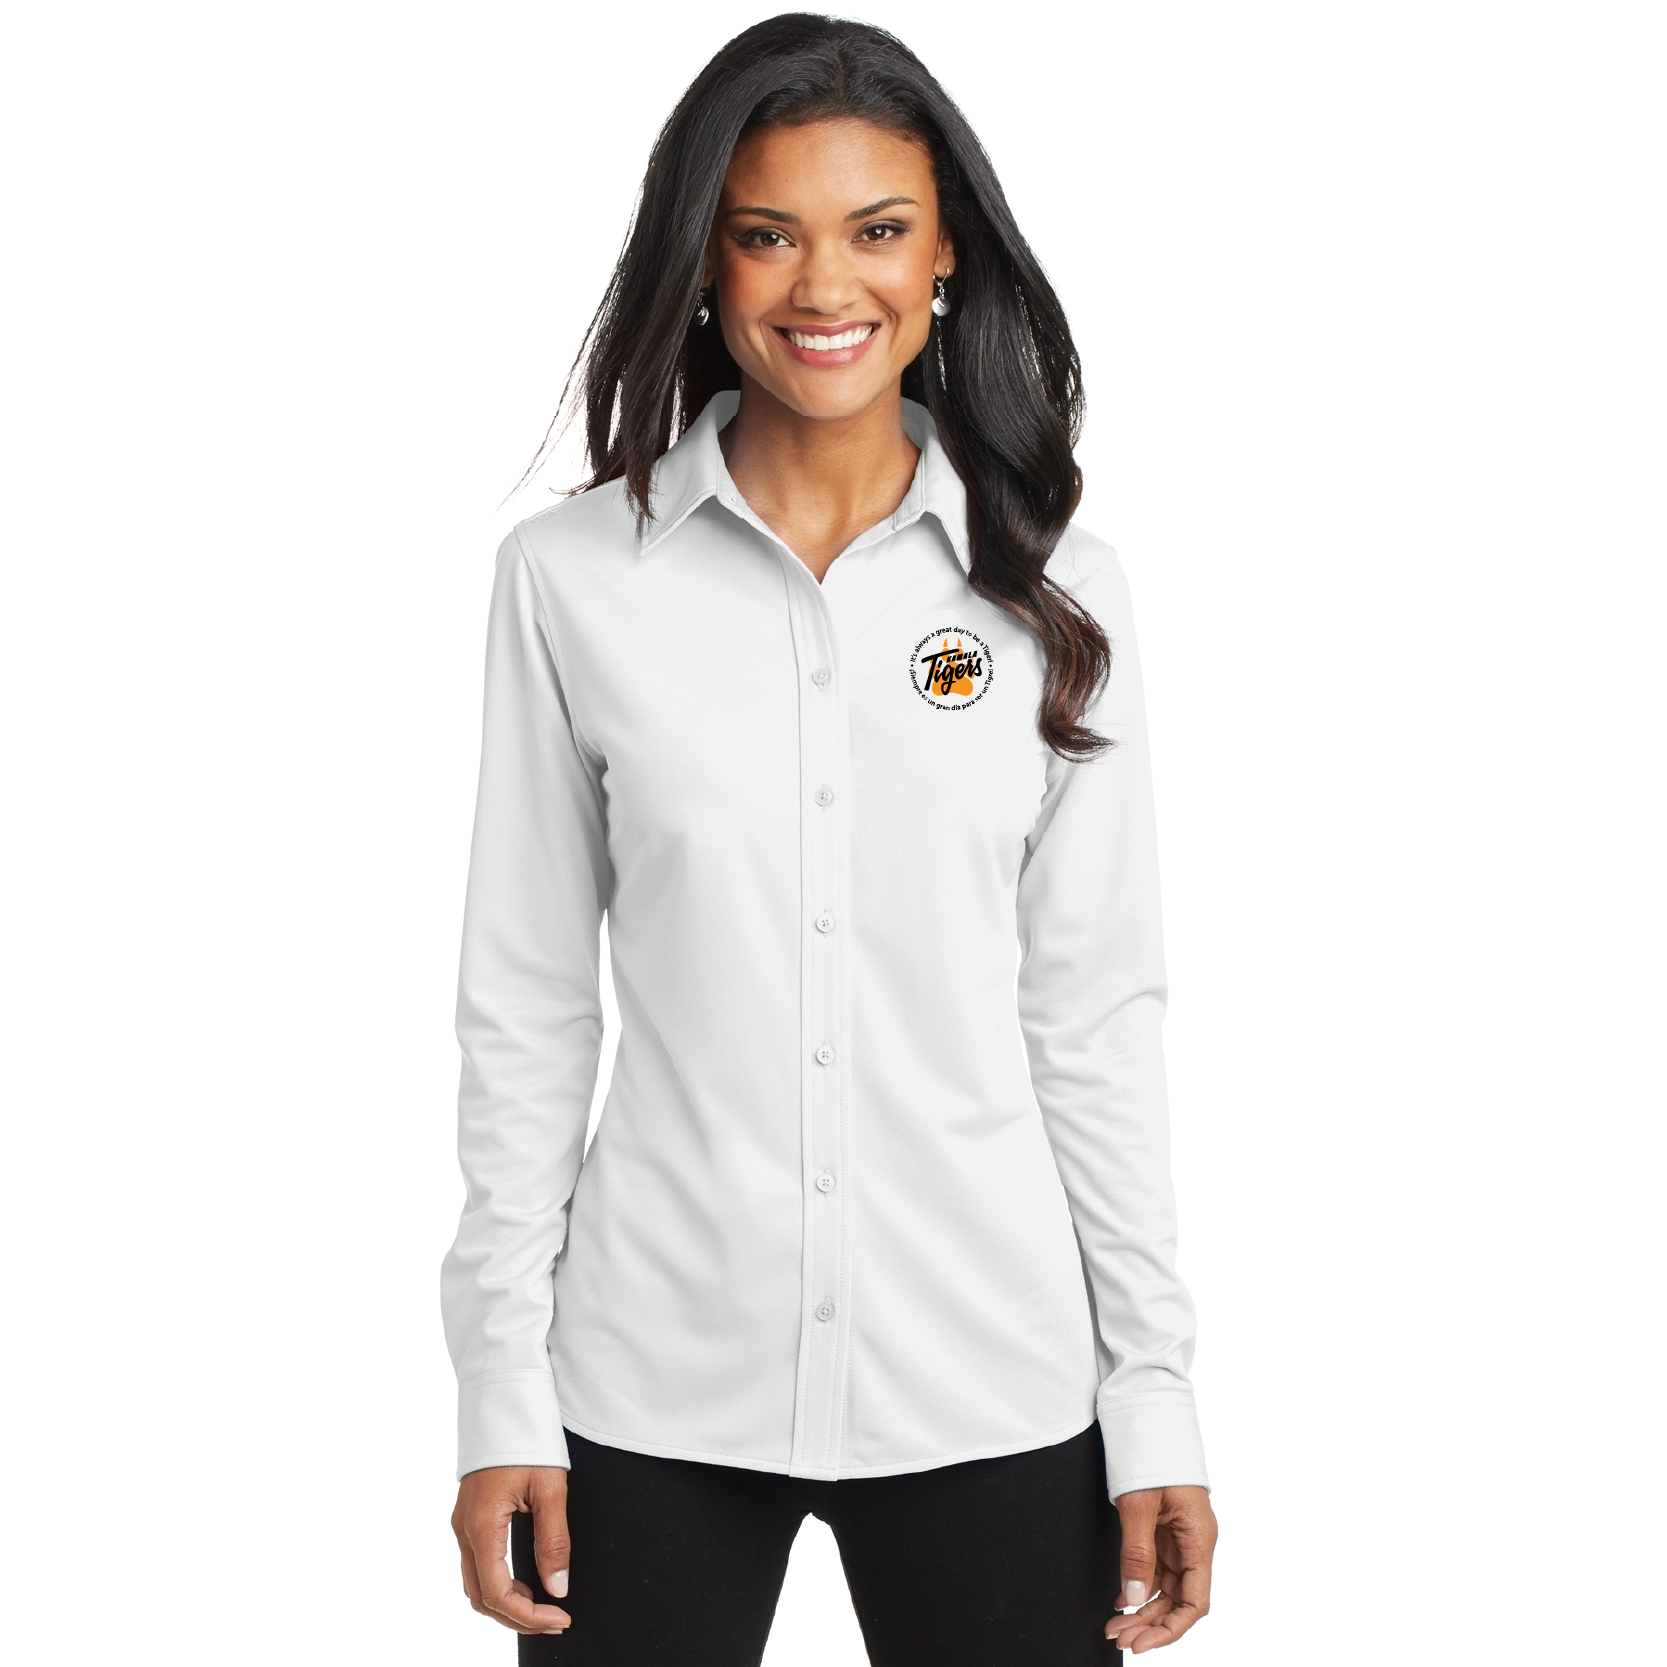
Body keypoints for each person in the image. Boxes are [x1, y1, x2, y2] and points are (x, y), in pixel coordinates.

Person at [442, 14, 1217, 1664]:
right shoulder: (570, 582)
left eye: (875, 230)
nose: (823, 286)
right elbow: (525, 1006)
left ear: (943, 257)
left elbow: (1092, 1017)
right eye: (765, 232)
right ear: (703, 262)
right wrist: (499, 1383)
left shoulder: (1059, 592)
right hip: (647, 1382)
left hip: (989, 1377)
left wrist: (1152, 1396)